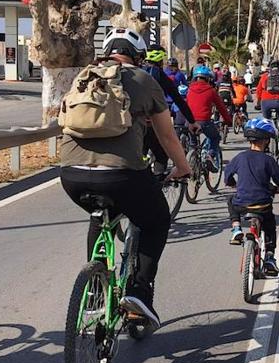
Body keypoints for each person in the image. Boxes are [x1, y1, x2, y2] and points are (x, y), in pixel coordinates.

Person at [59, 28, 192, 329]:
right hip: (121, 175)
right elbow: (167, 137)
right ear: (138, 55)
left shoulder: (83, 77)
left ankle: (94, 288)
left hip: (71, 175)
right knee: (155, 221)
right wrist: (183, 168)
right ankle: (139, 293)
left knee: (99, 216)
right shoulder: (144, 80)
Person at [223, 117, 279, 277]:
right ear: (267, 140)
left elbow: (227, 174)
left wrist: (232, 182)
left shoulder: (240, 157)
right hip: (262, 205)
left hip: (241, 204)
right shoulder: (268, 160)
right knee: (270, 225)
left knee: (231, 200)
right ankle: (269, 257)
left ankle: (236, 228)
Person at [144, 47, 197, 172]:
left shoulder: (135, 71)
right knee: (161, 155)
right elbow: (178, 99)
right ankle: (155, 186)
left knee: (138, 155)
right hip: (150, 122)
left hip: (131, 125)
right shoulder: (158, 73)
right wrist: (192, 121)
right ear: (160, 61)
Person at [186, 65, 232, 170]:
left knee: (193, 144)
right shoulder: (211, 91)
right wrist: (228, 120)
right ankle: (210, 155)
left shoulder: (189, 89)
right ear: (208, 78)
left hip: (189, 122)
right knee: (215, 137)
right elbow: (221, 107)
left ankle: (192, 160)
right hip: (204, 122)